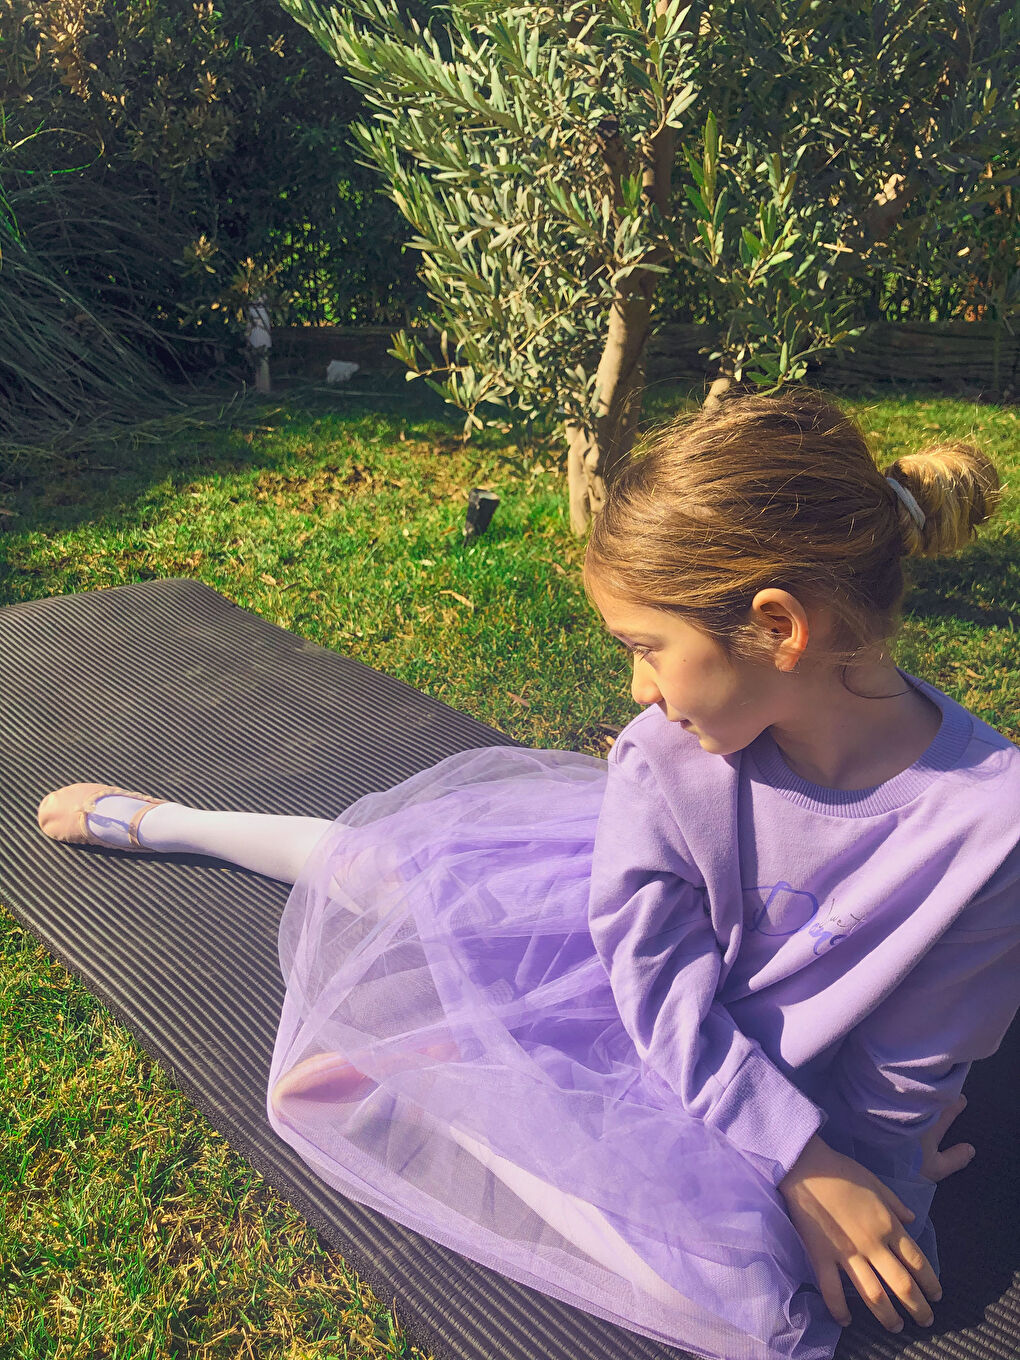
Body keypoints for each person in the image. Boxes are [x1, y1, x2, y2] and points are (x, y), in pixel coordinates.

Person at [37, 390, 1020, 1360]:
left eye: (647, 649)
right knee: (392, 869)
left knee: (772, 1286)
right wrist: (806, 1157)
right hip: (623, 979)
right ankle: (175, 823)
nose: (636, 689)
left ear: (777, 627)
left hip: (744, 1071)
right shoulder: (663, 755)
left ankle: (459, 1067)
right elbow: (656, 984)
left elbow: (911, 1062)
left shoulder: (992, 825)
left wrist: (876, 1165)